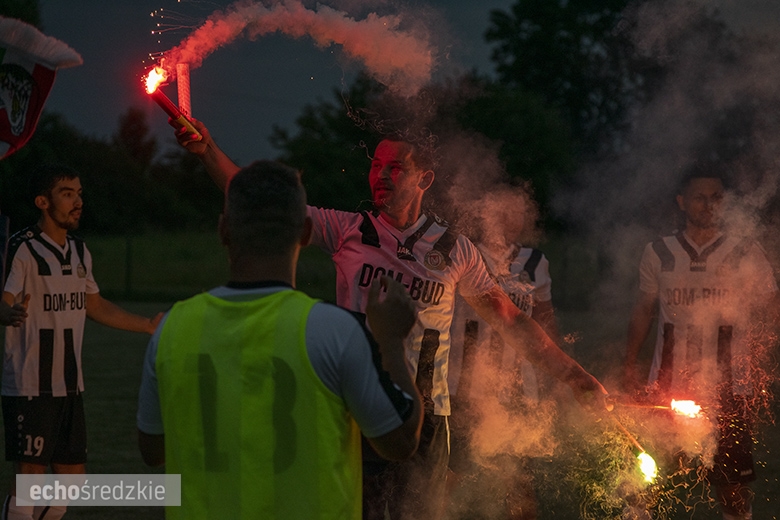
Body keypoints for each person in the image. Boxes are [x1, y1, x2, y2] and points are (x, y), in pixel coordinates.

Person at [173, 120, 610, 520]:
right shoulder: (348, 230)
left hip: (424, 418)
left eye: (395, 167)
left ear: (424, 178)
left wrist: (575, 376)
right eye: (376, 165)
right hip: (350, 410)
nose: (380, 175)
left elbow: (511, 321)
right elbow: (265, 206)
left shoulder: (455, 250)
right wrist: (208, 150)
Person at [136, 161, 423, 519]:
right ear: (305, 232)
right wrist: (391, 340)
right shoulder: (334, 330)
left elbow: (152, 448)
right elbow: (400, 441)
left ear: (224, 230)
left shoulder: (173, 328)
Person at [0, 164, 163, 520]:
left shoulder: (79, 251)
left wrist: (147, 325)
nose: (78, 201)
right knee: (31, 481)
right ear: (43, 201)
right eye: (67, 193)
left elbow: (94, 304)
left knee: (72, 483)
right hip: (31, 382)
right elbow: (5, 299)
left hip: (69, 384)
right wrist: (8, 313)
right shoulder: (23, 248)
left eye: (79, 193)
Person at [622, 167, 779, 520]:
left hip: (730, 389)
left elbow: (773, 307)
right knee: (646, 481)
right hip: (667, 384)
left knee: (731, 488)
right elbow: (643, 311)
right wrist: (629, 364)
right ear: (682, 202)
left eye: (717, 198)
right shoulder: (658, 252)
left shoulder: (744, 251)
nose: (709, 205)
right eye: (700, 197)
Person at [447, 188, 562, 520]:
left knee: (520, 484)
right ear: (486, 212)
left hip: (518, 391)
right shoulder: (462, 252)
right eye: (503, 210)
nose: (511, 218)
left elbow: (544, 321)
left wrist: (557, 378)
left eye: (519, 211)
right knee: (447, 477)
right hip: (463, 388)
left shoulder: (535, 263)